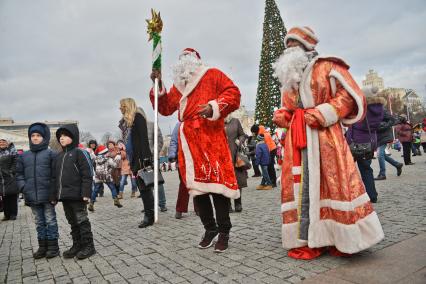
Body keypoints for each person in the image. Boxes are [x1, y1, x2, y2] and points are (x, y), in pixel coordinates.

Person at [272, 26, 384, 259]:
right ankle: (308, 238)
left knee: (333, 182)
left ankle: (339, 236)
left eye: (293, 44)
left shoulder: (328, 66)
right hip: (298, 140)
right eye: (288, 45)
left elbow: (349, 95)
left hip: (325, 137)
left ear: (306, 46)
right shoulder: (289, 77)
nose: (289, 49)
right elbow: (290, 107)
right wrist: (285, 115)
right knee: (300, 187)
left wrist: (325, 112)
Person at [150, 48, 241, 252]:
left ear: (196, 61)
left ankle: (224, 231)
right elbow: (164, 108)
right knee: (197, 190)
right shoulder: (179, 87)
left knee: (217, 187)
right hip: (188, 144)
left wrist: (213, 107)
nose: (184, 62)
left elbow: (233, 94)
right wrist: (158, 85)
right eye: (181, 59)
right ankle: (210, 228)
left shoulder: (212, 74)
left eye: (187, 59)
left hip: (210, 137)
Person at [15, 123, 59, 258]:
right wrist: (24, 187)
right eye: (33, 135)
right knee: (39, 222)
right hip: (32, 195)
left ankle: (53, 247)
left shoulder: (51, 154)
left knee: (50, 220)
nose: (35, 138)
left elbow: (55, 175)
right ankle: (42, 246)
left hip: (47, 195)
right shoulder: (24, 156)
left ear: (44, 137)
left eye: (38, 135)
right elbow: (19, 174)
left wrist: (53, 192)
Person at [54, 124, 96, 259]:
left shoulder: (80, 152)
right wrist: (55, 195)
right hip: (65, 196)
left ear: (73, 137)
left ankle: (89, 246)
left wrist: (86, 193)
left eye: (65, 135)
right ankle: (77, 244)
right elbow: (56, 177)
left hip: (78, 196)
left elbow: (87, 174)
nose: (62, 138)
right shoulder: (59, 156)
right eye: (60, 136)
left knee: (81, 220)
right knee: (72, 222)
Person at [119, 98, 156, 228]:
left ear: (127, 106)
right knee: (143, 189)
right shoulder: (128, 122)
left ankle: (149, 216)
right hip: (134, 159)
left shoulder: (138, 117)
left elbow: (144, 139)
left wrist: (146, 159)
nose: (120, 108)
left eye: (122, 106)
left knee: (145, 189)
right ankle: (148, 213)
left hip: (141, 159)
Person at [346, 87, 385, 202]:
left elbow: (350, 120)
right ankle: (372, 195)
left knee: (347, 169)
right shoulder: (379, 108)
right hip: (369, 142)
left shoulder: (362, 108)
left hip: (355, 142)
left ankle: (349, 195)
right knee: (366, 169)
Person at [169, 121, 199, 219]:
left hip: (196, 158)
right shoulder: (179, 125)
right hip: (183, 159)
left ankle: (199, 208)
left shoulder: (196, 121)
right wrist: (172, 154)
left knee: (197, 184)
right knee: (183, 184)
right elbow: (174, 141)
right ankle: (180, 209)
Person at [88, 145, 122, 211]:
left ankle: (91, 203)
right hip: (107, 176)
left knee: (95, 190)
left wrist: (92, 153)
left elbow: (93, 157)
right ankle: (116, 200)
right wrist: (118, 157)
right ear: (105, 152)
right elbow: (114, 165)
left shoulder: (96, 159)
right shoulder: (108, 159)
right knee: (112, 188)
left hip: (98, 176)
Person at [225, 115, 247, 212]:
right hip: (223, 156)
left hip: (235, 156)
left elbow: (242, 134)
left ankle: (238, 203)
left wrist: (240, 141)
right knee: (225, 182)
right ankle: (228, 205)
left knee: (238, 181)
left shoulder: (235, 121)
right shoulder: (217, 122)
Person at [375, 109, 403, 180]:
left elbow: (392, 120)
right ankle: (397, 164)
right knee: (382, 154)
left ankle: (382, 174)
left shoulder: (382, 110)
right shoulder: (370, 111)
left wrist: (382, 125)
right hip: (377, 137)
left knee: (379, 154)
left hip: (385, 136)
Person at [0, 137, 18, 221]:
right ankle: (6, 215)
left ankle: (13, 214)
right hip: (1, 178)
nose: (2, 143)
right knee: (4, 196)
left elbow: (16, 161)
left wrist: (11, 172)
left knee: (12, 195)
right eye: (0, 142)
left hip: (10, 176)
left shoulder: (12, 150)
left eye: (3, 141)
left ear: (7, 143)